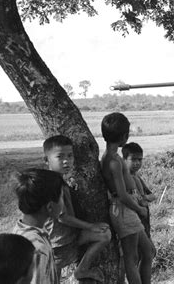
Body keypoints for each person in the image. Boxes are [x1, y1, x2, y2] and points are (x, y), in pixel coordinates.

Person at [43, 135, 111, 282]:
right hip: (59, 245)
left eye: (70, 155)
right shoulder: (53, 185)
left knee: (104, 234)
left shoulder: (59, 180)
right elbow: (63, 217)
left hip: (67, 239)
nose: (66, 161)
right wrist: (91, 226)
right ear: (46, 160)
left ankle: (81, 270)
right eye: (60, 157)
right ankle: (81, 270)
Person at [100, 112, 153, 284]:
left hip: (128, 209)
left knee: (148, 251)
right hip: (124, 210)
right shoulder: (113, 161)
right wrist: (139, 209)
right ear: (125, 136)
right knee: (131, 258)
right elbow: (122, 195)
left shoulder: (112, 157)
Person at [12, 168, 64, 284]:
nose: (63, 202)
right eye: (62, 198)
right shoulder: (39, 250)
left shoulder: (21, 229)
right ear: (50, 207)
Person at [122, 142, 157, 254]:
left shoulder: (137, 177)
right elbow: (138, 201)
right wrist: (142, 201)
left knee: (148, 253)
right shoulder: (124, 179)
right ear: (124, 160)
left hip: (144, 222)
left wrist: (143, 197)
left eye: (140, 160)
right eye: (133, 160)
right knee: (144, 253)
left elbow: (152, 196)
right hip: (135, 221)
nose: (137, 163)